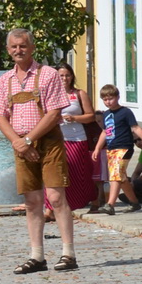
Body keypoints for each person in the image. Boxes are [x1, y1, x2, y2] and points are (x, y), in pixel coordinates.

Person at [0, 29, 77, 273]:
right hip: (20, 143)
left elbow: (54, 113)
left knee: (56, 196)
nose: (18, 50)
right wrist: (19, 143)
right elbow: (0, 116)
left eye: (23, 46)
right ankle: (37, 256)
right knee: (31, 201)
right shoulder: (5, 80)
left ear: (32, 47)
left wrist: (29, 139)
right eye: (14, 47)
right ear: (8, 50)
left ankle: (68, 253)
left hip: (47, 141)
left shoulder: (47, 74)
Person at [92, 85, 142, 214]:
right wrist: (97, 148)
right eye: (105, 99)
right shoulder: (106, 115)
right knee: (122, 177)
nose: (108, 101)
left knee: (115, 175)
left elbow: (135, 128)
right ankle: (134, 203)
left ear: (118, 97)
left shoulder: (125, 112)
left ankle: (110, 204)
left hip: (124, 147)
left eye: (111, 98)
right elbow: (105, 132)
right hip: (111, 149)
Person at [54, 63, 98, 214]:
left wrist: (74, 118)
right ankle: (53, 207)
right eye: (61, 75)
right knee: (55, 172)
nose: (64, 78)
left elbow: (91, 116)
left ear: (72, 76)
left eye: (67, 75)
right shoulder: (50, 94)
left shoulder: (79, 94)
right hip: (56, 138)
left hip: (76, 138)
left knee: (77, 171)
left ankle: (86, 200)